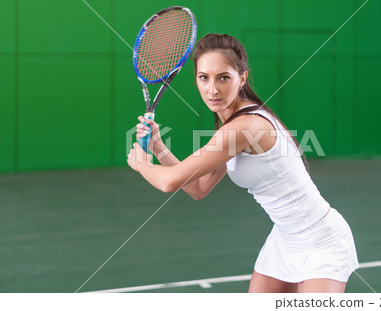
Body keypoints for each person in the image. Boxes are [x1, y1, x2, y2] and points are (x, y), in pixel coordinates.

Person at [127, 33, 359, 293]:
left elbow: (169, 182)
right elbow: (198, 188)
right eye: (204, 77)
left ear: (242, 78)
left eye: (223, 77)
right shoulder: (232, 125)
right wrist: (159, 148)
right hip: (284, 239)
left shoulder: (244, 127)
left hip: (322, 240)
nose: (212, 89)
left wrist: (141, 164)